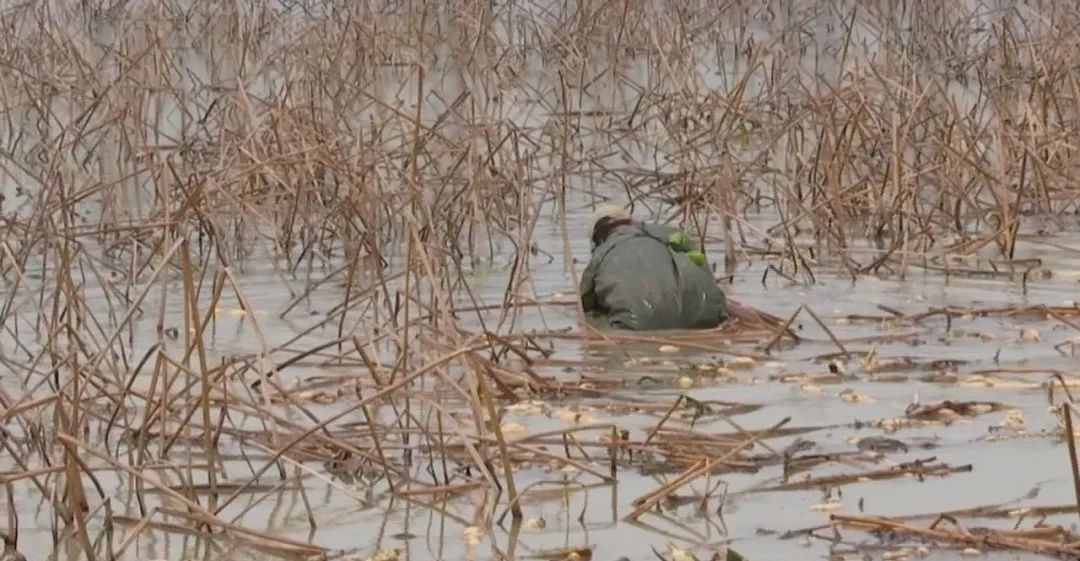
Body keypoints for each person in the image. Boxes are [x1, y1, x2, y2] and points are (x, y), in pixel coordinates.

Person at [579, 205, 729, 331]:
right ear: (631, 221)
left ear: (596, 237)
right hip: (707, 319)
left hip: (636, 327)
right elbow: (705, 273)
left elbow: (585, 303)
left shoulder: (602, 251)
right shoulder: (673, 234)